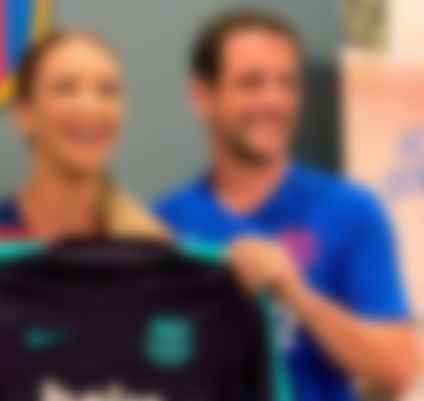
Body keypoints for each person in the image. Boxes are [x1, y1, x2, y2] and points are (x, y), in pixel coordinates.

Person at [154, 10, 420, 401]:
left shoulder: (352, 211)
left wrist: (295, 293)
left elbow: (399, 367)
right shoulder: (168, 224)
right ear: (202, 96)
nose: (273, 100)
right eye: (251, 83)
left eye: (287, 83)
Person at [0, 30, 167, 298]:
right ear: (24, 113)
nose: (90, 107)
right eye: (65, 88)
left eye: (108, 91)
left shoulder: (154, 252)